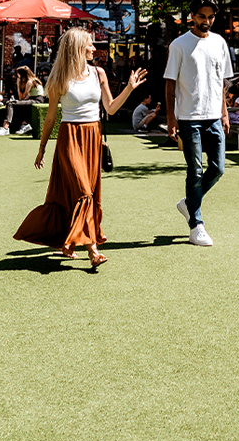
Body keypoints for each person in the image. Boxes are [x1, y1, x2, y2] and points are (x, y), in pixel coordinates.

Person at [14, 28, 146, 267]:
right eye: (90, 45)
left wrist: (129, 88)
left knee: (83, 193)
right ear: (77, 48)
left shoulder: (99, 73)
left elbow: (111, 108)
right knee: (84, 192)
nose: (94, 48)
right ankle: (93, 250)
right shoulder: (58, 79)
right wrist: (42, 148)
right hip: (70, 138)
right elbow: (51, 118)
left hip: (93, 137)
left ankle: (71, 239)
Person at [165, 0, 233, 247]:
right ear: (192, 16)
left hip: (214, 116)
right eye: (202, 16)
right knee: (195, 170)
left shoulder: (220, 43)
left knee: (218, 168)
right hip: (189, 118)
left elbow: (222, 82)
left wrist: (224, 112)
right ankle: (196, 224)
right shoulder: (179, 45)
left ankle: (188, 202)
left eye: (211, 17)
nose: (207, 21)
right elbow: (170, 85)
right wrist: (171, 119)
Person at [9, 66, 46, 135]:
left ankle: (25, 125)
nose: (17, 76)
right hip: (36, 98)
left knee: (15, 103)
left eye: (18, 74)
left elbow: (21, 97)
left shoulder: (29, 82)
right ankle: (24, 124)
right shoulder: (33, 80)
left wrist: (18, 84)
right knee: (20, 104)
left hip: (37, 100)